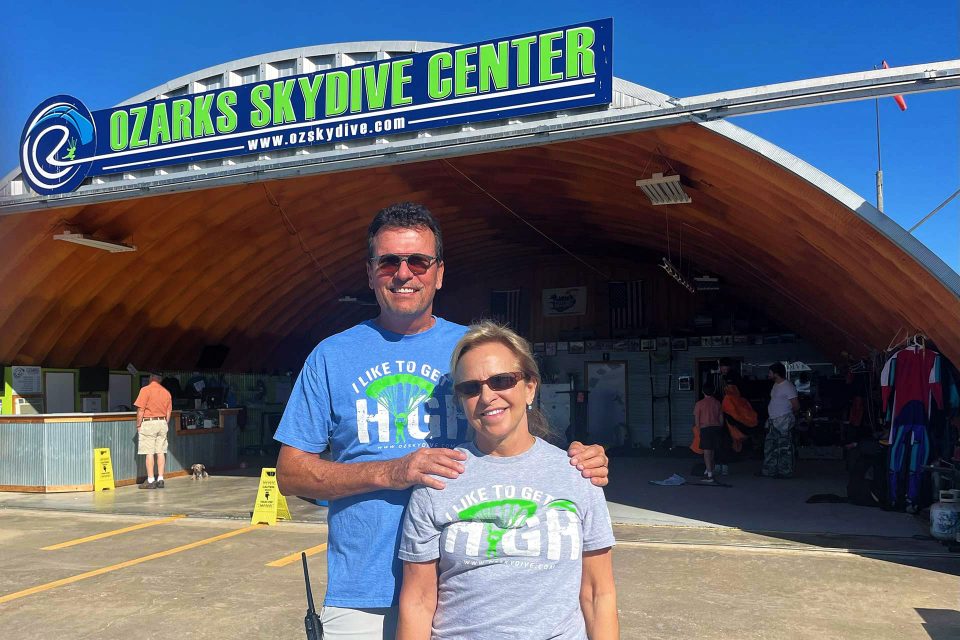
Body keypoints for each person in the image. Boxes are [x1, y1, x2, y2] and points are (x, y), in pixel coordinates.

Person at [274, 202, 609, 639]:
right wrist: (393, 471)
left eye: (419, 261)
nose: (404, 273)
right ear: (370, 271)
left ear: (439, 273)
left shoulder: (472, 351)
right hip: (365, 590)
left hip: (466, 596)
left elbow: (512, 432)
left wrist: (578, 461)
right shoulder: (331, 357)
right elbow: (291, 473)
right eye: (389, 261)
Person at [397, 322, 618, 639]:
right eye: (471, 388)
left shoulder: (578, 472)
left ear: (530, 387)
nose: (487, 396)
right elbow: (418, 601)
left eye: (501, 380)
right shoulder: (438, 480)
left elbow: (599, 594)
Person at [760, 362, 799, 478]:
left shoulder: (788, 386)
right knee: (770, 447)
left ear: (776, 374)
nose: (768, 374)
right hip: (773, 420)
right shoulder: (776, 385)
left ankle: (785, 471)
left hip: (783, 420)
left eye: (770, 372)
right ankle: (769, 470)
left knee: (784, 448)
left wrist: (790, 417)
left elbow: (796, 405)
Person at [134, 372, 172, 489]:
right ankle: (160, 479)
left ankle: (150, 480)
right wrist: (165, 423)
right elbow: (168, 411)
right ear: (160, 379)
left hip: (149, 422)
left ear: (151, 378)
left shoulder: (145, 390)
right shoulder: (166, 392)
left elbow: (141, 409)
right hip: (162, 422)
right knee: (161, 451)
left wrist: (138, 424)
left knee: (149, 452)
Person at [694, 382, 723, 483]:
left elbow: (697, 420)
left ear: (702, 391)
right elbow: (721, 418)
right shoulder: (717, 403)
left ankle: (710, 476)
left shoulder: (699, 404)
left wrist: (698, 431)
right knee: (712, 450)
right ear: (714, 391)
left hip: (705, 428)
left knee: (706, 452)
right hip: (716, 428)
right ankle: (710, 469)